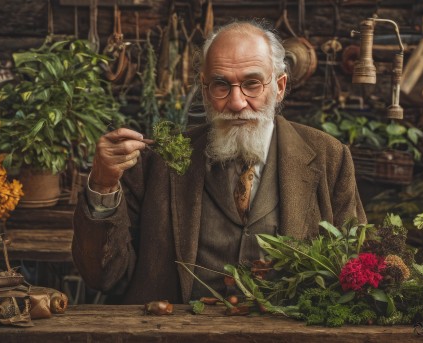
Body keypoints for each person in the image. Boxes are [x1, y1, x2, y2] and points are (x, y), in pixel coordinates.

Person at [72, 20, 366, 305]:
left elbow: (355, 269)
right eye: (221, 85)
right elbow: (105, 278)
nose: (237, 102)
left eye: (252, 84)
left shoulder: (330, 157)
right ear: (204, 89)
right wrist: (103, 184)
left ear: (279, 86)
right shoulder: (157, 162)